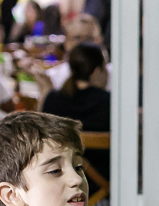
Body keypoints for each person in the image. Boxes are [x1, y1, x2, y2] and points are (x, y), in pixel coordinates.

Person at [41, 42, 109, 180]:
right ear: (96, 71)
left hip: (61, 181)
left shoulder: (52, 100)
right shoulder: (110, 103)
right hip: (104, 184)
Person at [44, 15, 104, 90]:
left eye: (89, 38)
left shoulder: (115, 77)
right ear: (66, 43)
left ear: (99, 41)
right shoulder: (52, 77)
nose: (83, 43)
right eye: (77, 38)